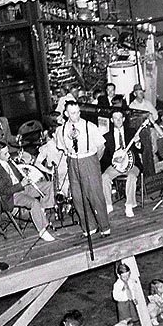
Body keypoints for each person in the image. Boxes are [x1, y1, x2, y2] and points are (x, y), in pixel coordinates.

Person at [55, 100, 111, 237]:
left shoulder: (90, 126)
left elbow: (101, 146)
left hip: (89, 160)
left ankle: (104, 227)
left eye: (78, 112)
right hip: (73, 161)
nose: (77, 115)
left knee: (95, 195)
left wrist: (93, 162)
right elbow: (63, 149)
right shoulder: (61, 130)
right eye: (73, 113)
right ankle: (89, 227)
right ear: (66, 114)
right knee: (78, 197)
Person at [0, 142, 56, 242]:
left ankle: (42, 211)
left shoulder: (9, 161)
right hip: (12, 195)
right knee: (34, 203)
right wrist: (22, 184)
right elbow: (5, 191)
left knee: (49, 185)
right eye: (5, 154)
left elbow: (18, 176)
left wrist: (25, 176)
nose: (8, 155)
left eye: (8, 152)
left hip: (23, 188)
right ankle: (42, 231)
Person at [100, 110, 142, 219]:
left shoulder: (132, 132)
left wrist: (137, 143)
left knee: (132, 177)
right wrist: (114, 159)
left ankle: (129, 205)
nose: (118, 121)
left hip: (132, 164)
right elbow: (105, 157)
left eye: (120, 118)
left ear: (123, 119)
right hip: (116, 165)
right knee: (104, 177)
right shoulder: (106, 136)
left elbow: (142, 149)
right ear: (111, 120)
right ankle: (108, 204)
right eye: (115, 118)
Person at [112, 262, 141, 326]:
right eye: (124, 276)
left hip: (129, 303)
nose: (126, 278)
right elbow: (115, 297)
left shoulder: (129, 281)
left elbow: (132, 290)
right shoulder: (117, 285)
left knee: (130, 322)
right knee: (124, 324)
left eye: (128, 275)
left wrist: (133, 298)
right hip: (122, 304)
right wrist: (122, 290)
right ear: (119, 275)